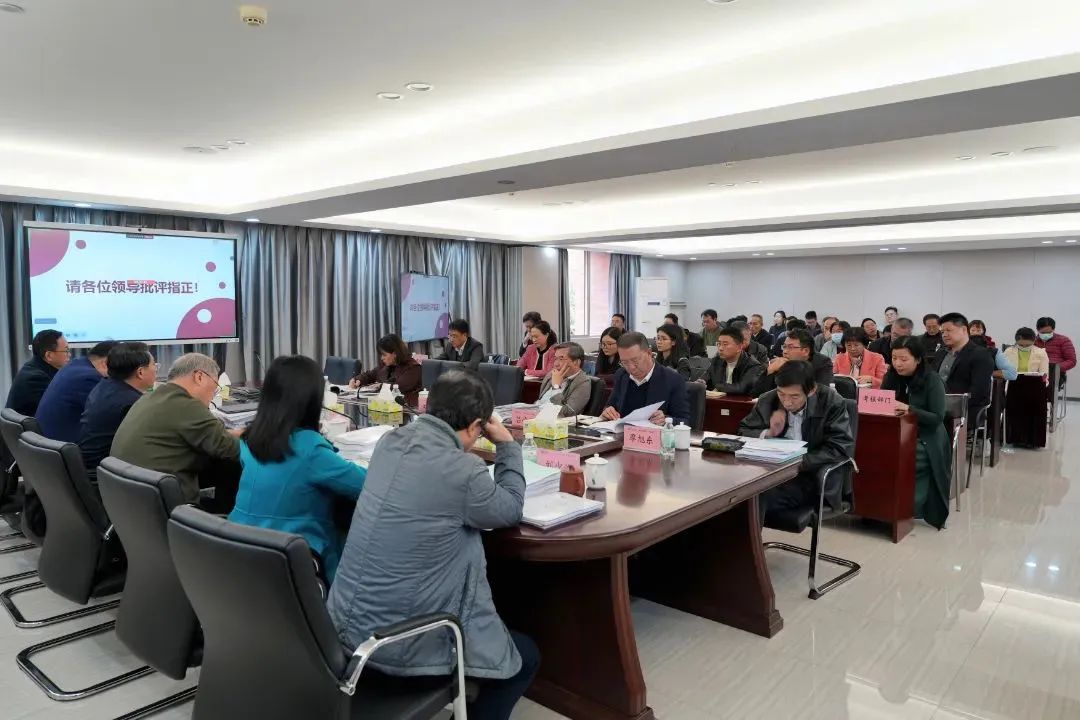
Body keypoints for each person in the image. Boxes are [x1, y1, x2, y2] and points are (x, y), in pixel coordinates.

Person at [327, 371, 537, 720]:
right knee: (524, 658)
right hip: (397, 650)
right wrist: (506, 444)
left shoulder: (389, 442)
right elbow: (510, 508)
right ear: (476, 426)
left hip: (343, 634)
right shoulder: (464, 470)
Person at [229, 355, 366, 584]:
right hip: (297, 567)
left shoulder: (250, 441)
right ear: (311, 400)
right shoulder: (310, 450)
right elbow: (367, 485)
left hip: (239, 555)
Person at [110, 353, 241, 504]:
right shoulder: (187, 405)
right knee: (233, 466)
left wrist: (231, 434)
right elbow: (233, 450)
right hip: (170, 508)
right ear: (199, 377)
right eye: (215, 385)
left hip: (132, 503)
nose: (213, 394)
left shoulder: (150, 397)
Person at [738, 361, 853, 519]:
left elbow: (840, 446)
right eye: (781, 394)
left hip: (807, 476)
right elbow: (743, 431)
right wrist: (768, 433)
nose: (787, 402)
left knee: (755, 498)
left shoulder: (831, 402)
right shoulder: (768, 399)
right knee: (735, 494)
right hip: (768, 473)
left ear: (811, 390)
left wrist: (800, 462)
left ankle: (750, 535)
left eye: (794, 396)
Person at [882, 337, 951, 529]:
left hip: (926, 436)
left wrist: (909, 409)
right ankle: (880, 507)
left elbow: (937, 417)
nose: (897, 363)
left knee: (906, 458)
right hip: (897, 432)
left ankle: (907, 508)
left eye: (903, 359)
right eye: (894, 358)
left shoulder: (932, 380)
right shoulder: (891, 376)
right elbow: (882, 404)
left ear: (918, 359)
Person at [78, 343, 157, 478]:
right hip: (108, 476)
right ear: (140, 372)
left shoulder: (105, 386)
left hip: (92, 469)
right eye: (154, 365)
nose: (155, 369)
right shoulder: (132, 403)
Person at [601, 332, 690, 426]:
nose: (631, 367)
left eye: (635, 360)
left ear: (649, 353)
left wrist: (666, 420)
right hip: (622, 433)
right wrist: (607, 412)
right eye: (624, 362)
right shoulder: (621, 375)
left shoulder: (673, 380)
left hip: (653, 434)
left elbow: (685, 421)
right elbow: (610, 406)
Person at [36, 341, 116, 443]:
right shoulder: (90, 377)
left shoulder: (75, 365)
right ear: (105, 363)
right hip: (63, 445)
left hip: (47, 442)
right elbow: (109, 415)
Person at [934, 312, 995, 428]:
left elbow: (979, 391)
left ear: (963, 330)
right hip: (936, 405)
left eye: (948, 330)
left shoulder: (981, 355)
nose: (944, 335)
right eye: (942, 332)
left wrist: (949, 404)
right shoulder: (941, 353)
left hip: (964, 409)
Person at [5, 329, 70, 416]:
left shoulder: (34, 367)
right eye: (66, 351)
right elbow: (61, 409)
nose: (69, 355)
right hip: (34, 424)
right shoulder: (36, 379)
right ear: (49, 355)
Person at [753, 329, 833, 397]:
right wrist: (770, 370)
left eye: (790, 347)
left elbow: (820, 394)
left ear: (805, 351)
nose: (785, 351)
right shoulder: (781, 363)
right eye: (784, 347)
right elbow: (756, 393)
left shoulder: (822, 363)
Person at [351, 334, 423, 403]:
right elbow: (370, 375)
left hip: (406, 407)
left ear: (395, 353)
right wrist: (357, 380)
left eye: (384, 355)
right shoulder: (386, 365)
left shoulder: (413, 368)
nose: (382, 358)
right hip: (386, 405)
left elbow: (399, 387)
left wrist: (380, 386)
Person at [537, 342, 592, 417]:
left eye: (561, 359)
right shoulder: (551, 375)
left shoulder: (583, 382)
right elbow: (540, 402)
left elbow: (567, 413)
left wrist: (556, 387)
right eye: (555, 359)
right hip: (536, 414)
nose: (556, 364)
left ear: (576, 362)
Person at [703, 327, 764, 394]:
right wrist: (701, 382)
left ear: (739, 347)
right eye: (719, 344)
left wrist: (718, 387)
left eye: (725, 344)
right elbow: (706, 378)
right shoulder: (716, 361)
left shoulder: (753, 365)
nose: (720, 348)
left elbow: (741, 388)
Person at [1035, 316, 1076, 385]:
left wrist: (1055, 368)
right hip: (1035, 373)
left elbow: (1072, 360)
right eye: (1043, 333)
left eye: (1049, 332)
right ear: (1037, 330)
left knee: (1045, 384)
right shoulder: (1032, 341)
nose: (1046, 335)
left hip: (1055, 374)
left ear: (1053, 329)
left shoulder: (1064, 340)